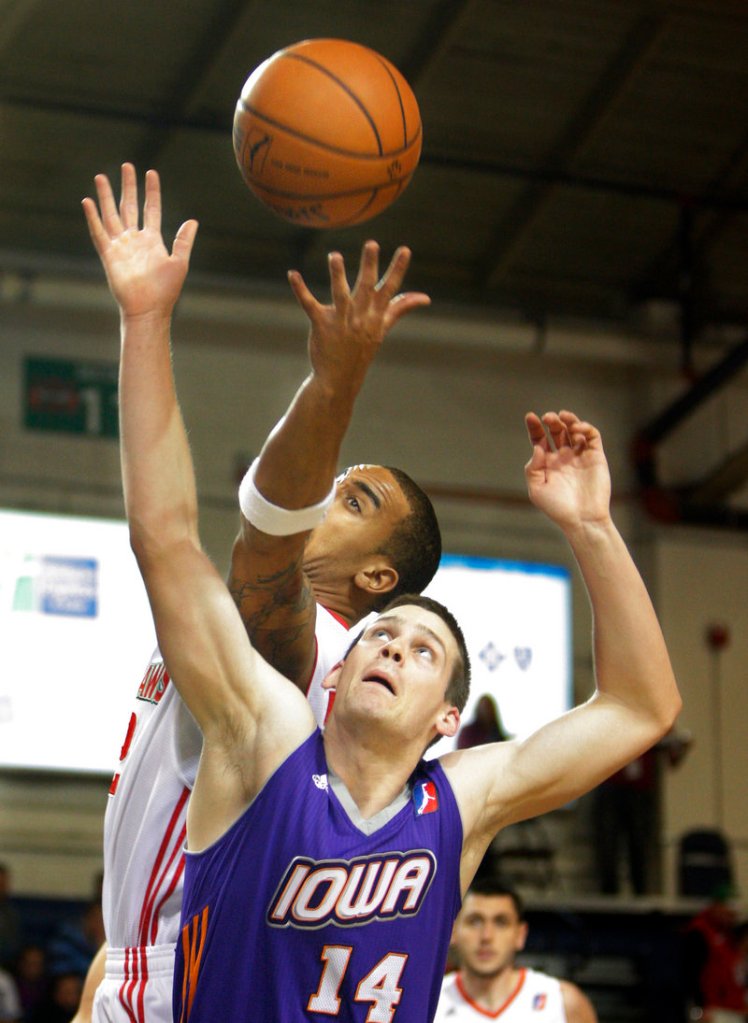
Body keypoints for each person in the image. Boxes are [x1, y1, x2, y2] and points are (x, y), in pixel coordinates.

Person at [87, 165, 681, 1021]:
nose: (395, 646)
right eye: (385, 637)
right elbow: (169, 538)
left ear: (449, 717)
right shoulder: (272, 724)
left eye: (423, 648)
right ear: (340, 662)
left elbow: (640, 707)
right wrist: (144, 320)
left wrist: (593, 526)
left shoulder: (459, 801)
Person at [76, 163, 440, 1023]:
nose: (326, 499)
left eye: (352, 500)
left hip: (191, 970)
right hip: (138, 957)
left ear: (378, 578)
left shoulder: (305, 652)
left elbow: (247, 527)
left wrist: (334, 381)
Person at [434, 878, 597, 1021]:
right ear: (452, 931)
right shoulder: (429, 1004)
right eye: (475, 921)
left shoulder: (562, 1002)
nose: (486, 936)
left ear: (520, 934)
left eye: (501, 922)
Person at [592, 727, 692, 895]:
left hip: (640, 792)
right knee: (608, 846)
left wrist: (681, 746)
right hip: (611, 787)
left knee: (639, 845)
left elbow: (673, 758)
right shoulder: (613, 713)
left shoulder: (655, 718)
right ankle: (608, 898)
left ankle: (640, 896)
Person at [682, 886, 747, 1021]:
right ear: (717, 906)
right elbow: (690, 973)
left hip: (732, 1008)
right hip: (712, 1010)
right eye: (728, 913)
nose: (731, 918)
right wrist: (699, 1008)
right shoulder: (699, 933)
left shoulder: (728, 934)